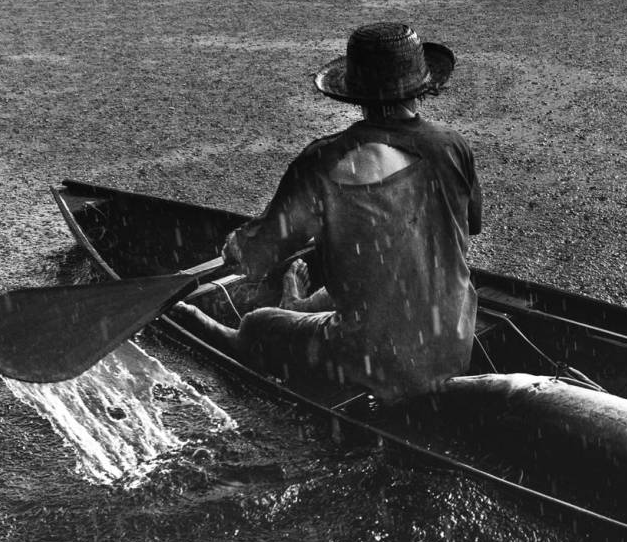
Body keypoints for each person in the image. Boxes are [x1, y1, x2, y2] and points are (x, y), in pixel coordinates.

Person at [178, 22, 482, 403]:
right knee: (374, 274)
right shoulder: (452, 147)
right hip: (453, 345)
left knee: (258, 324)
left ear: (356, 94)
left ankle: (197, 318)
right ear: (422, 86)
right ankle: (303, 310)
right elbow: (471, 224)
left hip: (376, 362)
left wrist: (237, 247)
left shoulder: (321, 162)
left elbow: (258, 255)